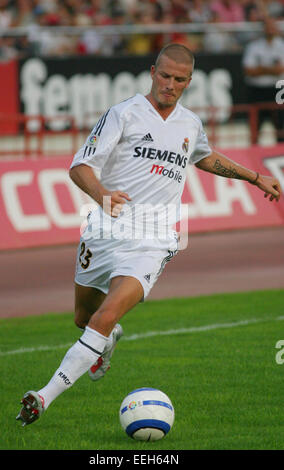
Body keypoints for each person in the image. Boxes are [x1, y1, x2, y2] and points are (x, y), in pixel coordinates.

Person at [16, 43, 282, 426]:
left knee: (104, 315)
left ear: (188, 82)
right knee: (83, 318)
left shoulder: (190, 124)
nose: (169, 85)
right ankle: (105, 342)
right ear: (152, 71)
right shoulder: (123, 114)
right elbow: (80, 167)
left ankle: (42, 397)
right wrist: (102, 195)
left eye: (178, 79)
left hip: (154, 238)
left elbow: (205, 157)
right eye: (164, 75)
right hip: (105, 230)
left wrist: (255, 176)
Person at [242, 17, 284, 142]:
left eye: (272, 27)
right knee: (255, 126)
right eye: (268, 27)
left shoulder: (281, 46)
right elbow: (248, 70)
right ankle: (253, 155)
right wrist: (272, 69)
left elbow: (281, 70)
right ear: (263, 29)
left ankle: (280, 154)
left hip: (277, 88)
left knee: (280, 125)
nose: (270, 30)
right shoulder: (253, 46)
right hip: (256, 90)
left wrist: (260, 68)